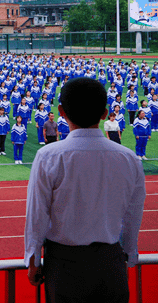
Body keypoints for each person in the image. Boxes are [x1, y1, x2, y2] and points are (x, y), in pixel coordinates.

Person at [25, 77, 145, 303]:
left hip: (64, 264)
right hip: (111, 262)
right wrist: (127, 255)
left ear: (61, 111)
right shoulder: (129, 158)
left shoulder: (49, 156)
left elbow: (37, 215)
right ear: (104, 113)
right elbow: (133, 215)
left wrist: (33, 262)